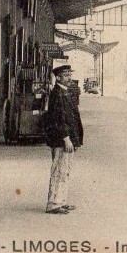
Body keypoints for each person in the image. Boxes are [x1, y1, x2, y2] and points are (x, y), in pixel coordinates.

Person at [44, 65, 83, 214]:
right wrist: (66, 138)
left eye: (69, 74)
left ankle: (61, 201)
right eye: (65, 75)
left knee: (65, 170)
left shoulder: (64, 92)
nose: (69, 77)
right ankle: (53, 203)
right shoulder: (57, 94)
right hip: (61, 140)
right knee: (59, 170)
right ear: (58, 77)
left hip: (67, 139)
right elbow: (59, 118)